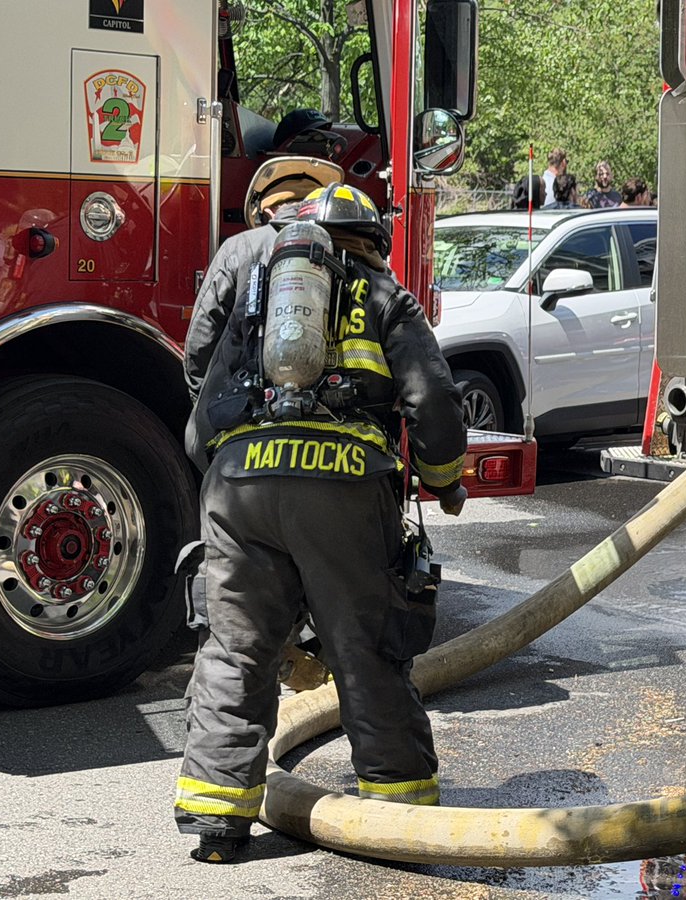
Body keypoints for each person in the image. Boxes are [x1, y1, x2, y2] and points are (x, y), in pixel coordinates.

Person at [174, 182, 468, 863]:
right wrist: (444, 480)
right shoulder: (385, 296)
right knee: (364, 647)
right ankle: (398, 810)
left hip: (237, 483)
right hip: (342, 487)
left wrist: (228, 461)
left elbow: (200, 377)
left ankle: (216, 821)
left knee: (234, 647)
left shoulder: (255, 288)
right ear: (373, 242)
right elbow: (436, 402)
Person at [183, 155, 343, 420]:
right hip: (329, 410)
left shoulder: (238, 246)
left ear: (268, 211)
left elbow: (203, 335)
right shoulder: (339, 250)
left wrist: (206, 400)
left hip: (251, 411)